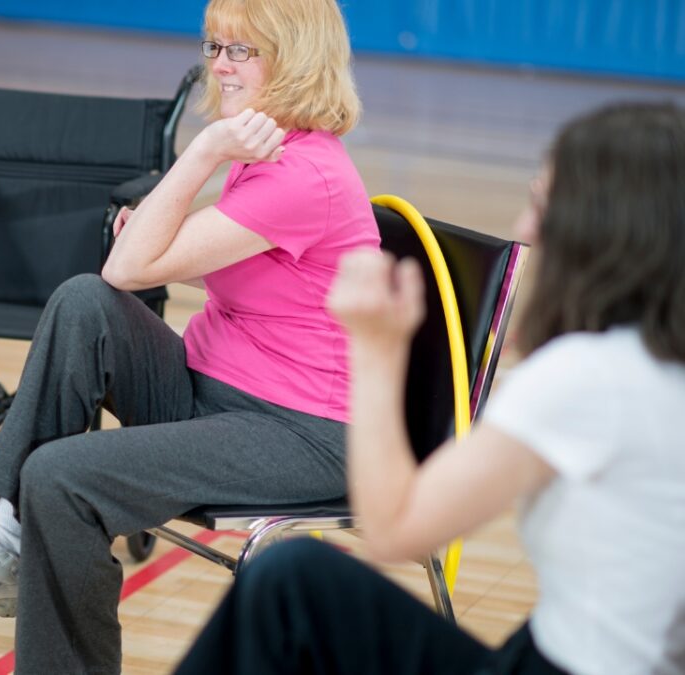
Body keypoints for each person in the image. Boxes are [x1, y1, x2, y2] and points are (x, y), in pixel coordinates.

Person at [0, 0, 379, 671]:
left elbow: (134, 262)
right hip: (212, 391)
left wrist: (204, 148)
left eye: (243, 50)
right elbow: (123, 273)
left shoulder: (304, 174)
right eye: (215, 46)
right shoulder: (269, 149)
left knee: (61, 477)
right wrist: (175, 205)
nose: (221, 64)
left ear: (293, 56)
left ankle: (22, 553)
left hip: (300, 434)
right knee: (84, 301)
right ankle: (9, 537)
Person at [175, 101, 685, 675]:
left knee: (289, 582)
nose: (525, 229)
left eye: (542, 207)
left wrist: (377, 348)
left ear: (602, 231)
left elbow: (394, 531)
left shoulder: (585, 379)